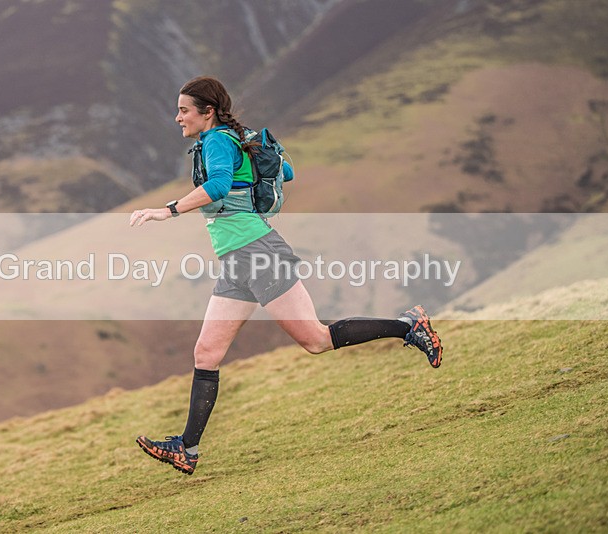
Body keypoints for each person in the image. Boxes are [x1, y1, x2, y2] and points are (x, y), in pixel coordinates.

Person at [129, 76, 442, 475]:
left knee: (315, 338)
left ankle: (407, 326)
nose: (177, 118)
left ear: (207, 112)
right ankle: (186, 449)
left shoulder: (217, 141)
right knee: (206, 353)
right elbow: (286, 171)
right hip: (238, 261)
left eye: (184, 110)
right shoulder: (236, 137)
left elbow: (220, 185)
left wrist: (166, 210)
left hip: (257, 253)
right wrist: (253, 158)